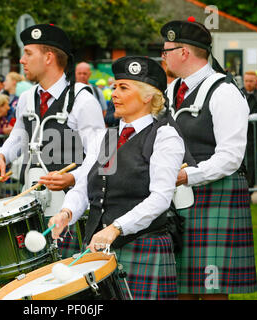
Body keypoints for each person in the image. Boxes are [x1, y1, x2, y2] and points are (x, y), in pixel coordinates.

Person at [47, 56, 186, 300]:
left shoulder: (164, 137)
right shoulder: (107, 138)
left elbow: (161, 198)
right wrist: (67, 214)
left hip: (142, 247)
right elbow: (85, 188)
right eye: (114, 87)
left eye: (123, 87)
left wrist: (115, 229)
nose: (114, 94)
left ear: (147, 96)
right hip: (97, 250)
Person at [0, 24, 105, 259]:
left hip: (70, 209)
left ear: (49, 57)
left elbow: (101, 155)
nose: (22, 60)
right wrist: (3, 155)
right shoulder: (26, 97)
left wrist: (73, 177)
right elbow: (20, 135)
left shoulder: (83, 99)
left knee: (67, 288)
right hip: (32, 203)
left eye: (28, 53)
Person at [161, 18, 257, 299]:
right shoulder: (171, 91)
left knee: (212, 288)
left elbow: (230, 157)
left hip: (216, 195)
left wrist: (186, 175)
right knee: (180, 288)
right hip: (179, 198)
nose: (162, 56)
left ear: (184, 52)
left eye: (166, 50)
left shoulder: (224, 92)